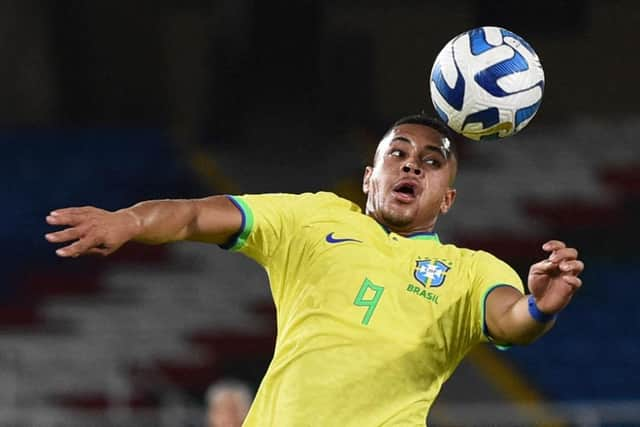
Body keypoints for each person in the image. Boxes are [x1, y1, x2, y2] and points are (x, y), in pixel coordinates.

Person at [45, 114, 584, 426]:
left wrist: (541, 304)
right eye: (397, 154)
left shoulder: (469, 271)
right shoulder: (312, 218)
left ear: (447, 199)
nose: (413, 164)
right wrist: (129, 221)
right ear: (370, 175)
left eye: (432, 161)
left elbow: (514, 320)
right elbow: (193, 216)